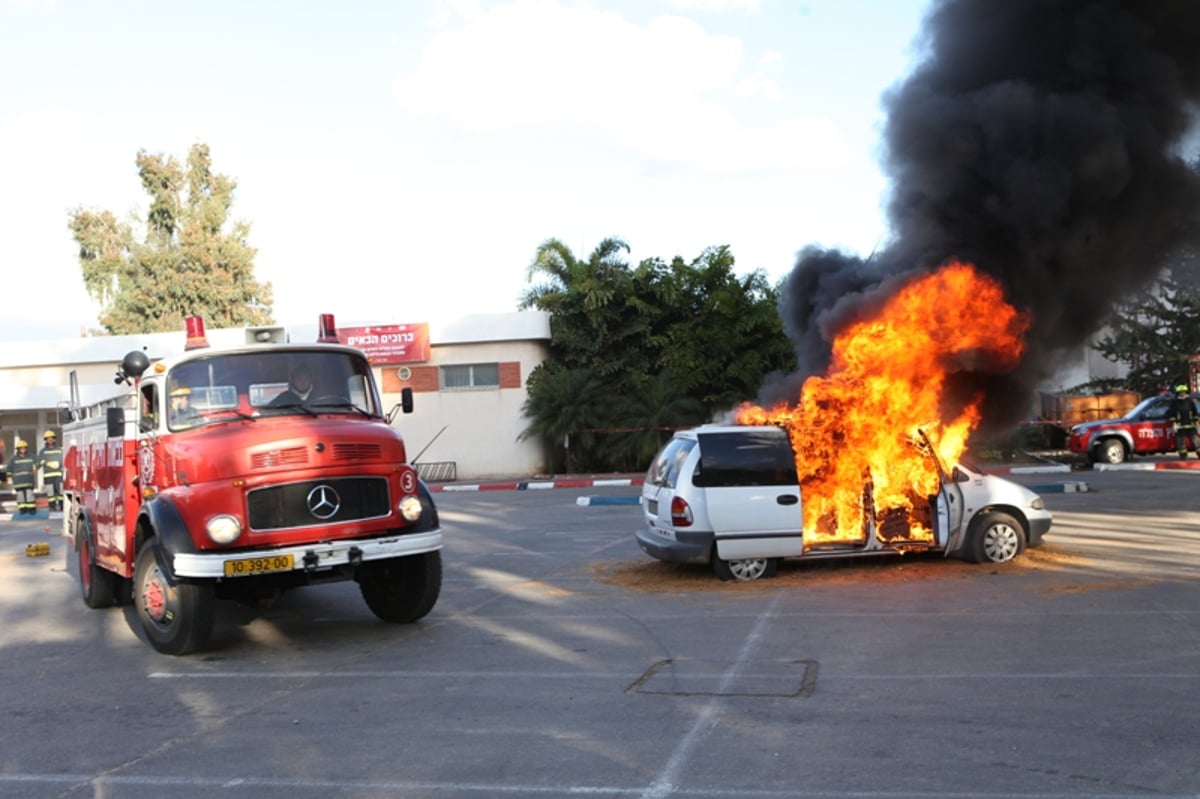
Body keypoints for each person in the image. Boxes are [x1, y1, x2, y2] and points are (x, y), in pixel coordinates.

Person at [9, 440, 37, 516]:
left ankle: (31, 510)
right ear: (18, 449)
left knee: (30, 495)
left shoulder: (31, 457)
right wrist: (9, 478)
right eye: (21, 448)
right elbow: (9, 469)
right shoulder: (13, 459)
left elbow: (38, 462)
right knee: (20, 496)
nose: (23, 450)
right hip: (18, 482)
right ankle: (22, 510)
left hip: (28, 481)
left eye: (24, 448)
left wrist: (36, 466)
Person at [37, 430, 64, 512]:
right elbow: (40, 461)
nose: (50, 440)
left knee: (60, 492)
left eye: (52, 438)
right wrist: (47, 463)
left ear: (54, 439)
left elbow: (63, 460)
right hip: (48, 475)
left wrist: (58, 463)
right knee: (50, 493)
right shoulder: (43, 451)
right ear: (46, 440)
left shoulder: (60, 449)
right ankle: (52, 507)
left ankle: (61, 506)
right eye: (48, 439)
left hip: (59, 475)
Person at [1171, 384, 1197, 460]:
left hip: (1191, 425)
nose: (1182, 393)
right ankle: (1183, 456)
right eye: (1180, 392)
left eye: (1184, 392)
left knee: (1196, 441)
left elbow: (1195, 412)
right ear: (1178, 393)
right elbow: (1172, 413)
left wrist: (1196, 421)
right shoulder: (1175, 402)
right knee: (1181, 442)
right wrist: (1174, 422)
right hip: (1180, 425)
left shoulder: (1190, 401)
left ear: (1186, 392)